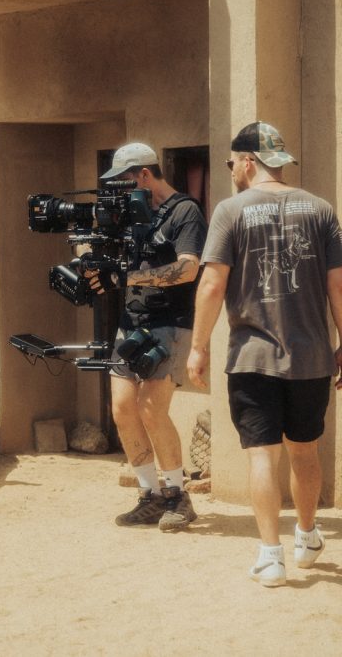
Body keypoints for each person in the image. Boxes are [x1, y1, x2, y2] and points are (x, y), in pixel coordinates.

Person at [187, 122, 341, 587]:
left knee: (261, 455)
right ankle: (308, 534)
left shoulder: (230, 211)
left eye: (233, 162)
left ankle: (271, 556)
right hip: (312, 356)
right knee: (304, 450)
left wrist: (197, 348)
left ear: (249, 160)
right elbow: (338, 285)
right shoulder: (321, 210)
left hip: (252, 357)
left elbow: (212, 283)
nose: (232, 169)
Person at [87, 142, 208, 531]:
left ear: (143, 174)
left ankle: (177, 496)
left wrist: (127, 278)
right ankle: (149, 495)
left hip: (170, 323)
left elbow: (188, 270)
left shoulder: (186, 212)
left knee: (153, 408)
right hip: (132, 321)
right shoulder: (133, 216)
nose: (120, 189)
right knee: (122, 408)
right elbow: (110, 257)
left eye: (124, 180)